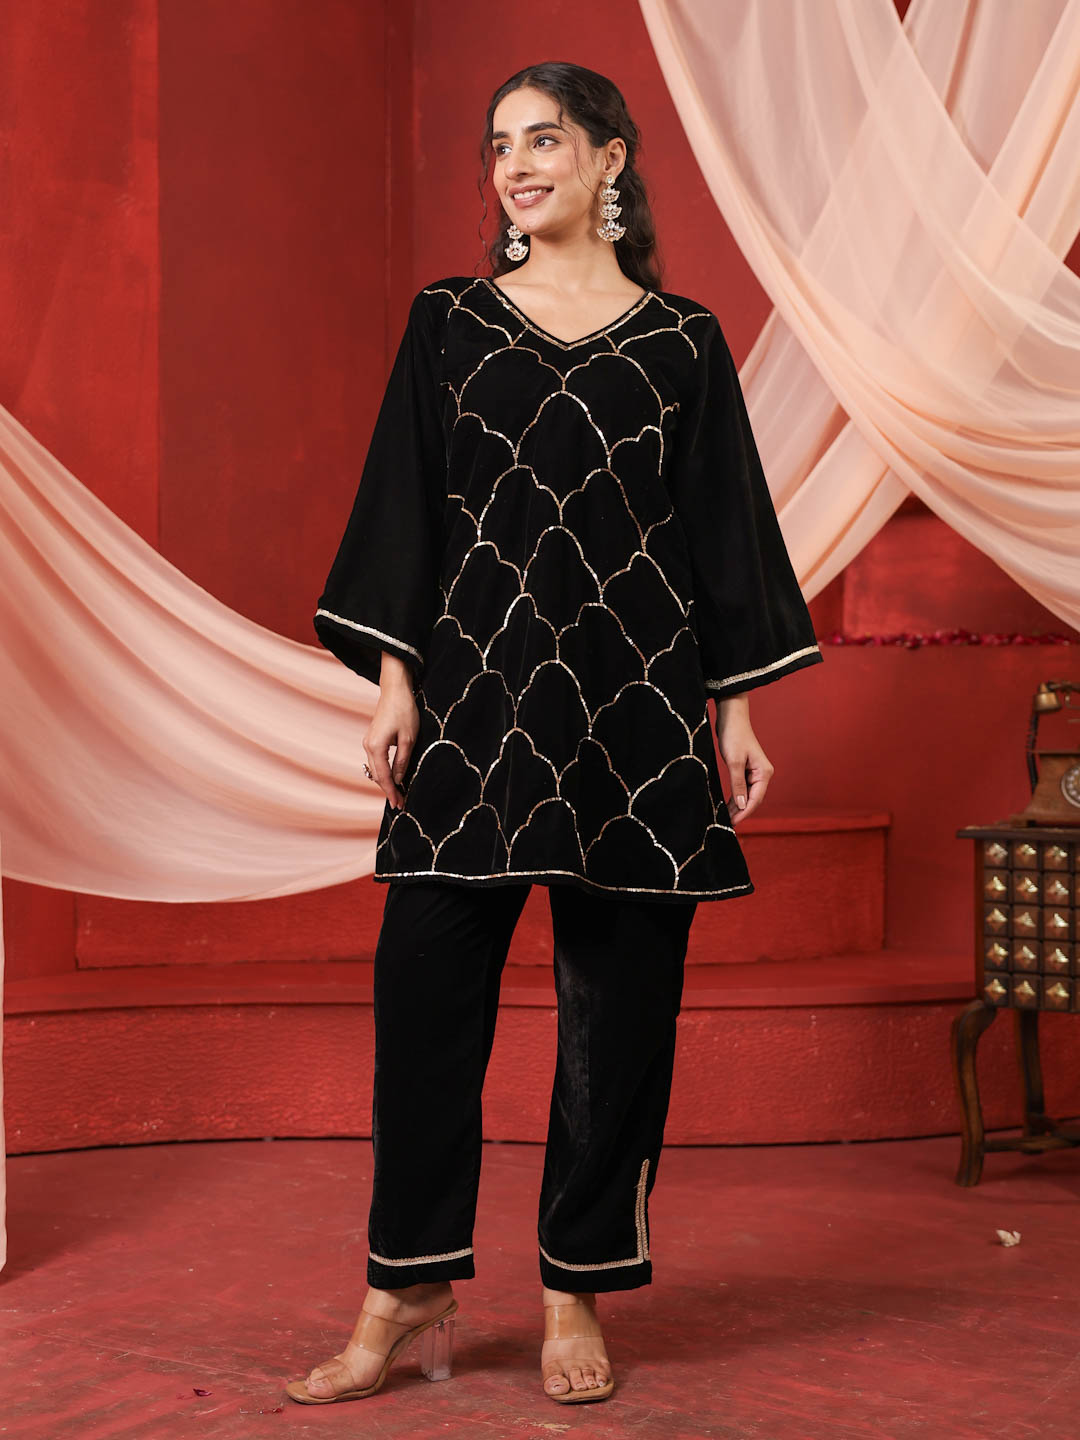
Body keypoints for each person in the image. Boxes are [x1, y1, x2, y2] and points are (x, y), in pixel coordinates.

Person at [286, 61, 823, 1409]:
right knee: (423, 998)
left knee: (618, 1017)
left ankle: (575, 1284)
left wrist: (735, 709)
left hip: (636, 711)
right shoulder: (450, 323)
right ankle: (405, 1283)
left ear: (609, 160)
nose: (516, 165)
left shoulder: (682, 341)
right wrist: (394, 683)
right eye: (500, 146)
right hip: (474, 701)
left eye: (543, 140)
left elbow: (724, 533)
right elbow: (405, 503)